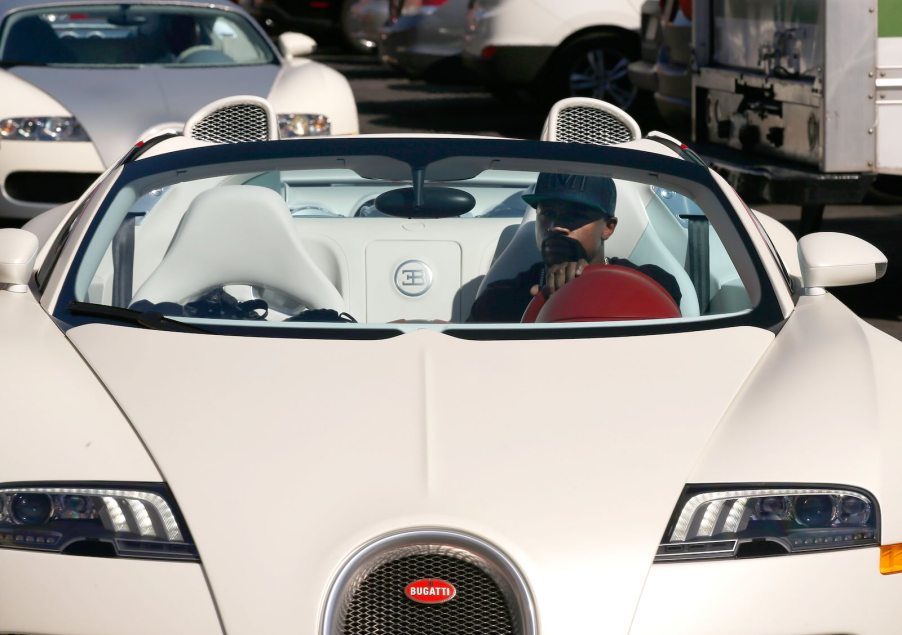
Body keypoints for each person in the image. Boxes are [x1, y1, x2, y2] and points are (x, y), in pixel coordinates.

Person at [467, 172, 682, 322]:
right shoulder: (503, 298)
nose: (555, 226)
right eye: (547, 214)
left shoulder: (653, 283)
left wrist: (589, 285)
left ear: (608, 227)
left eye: (575, 215)